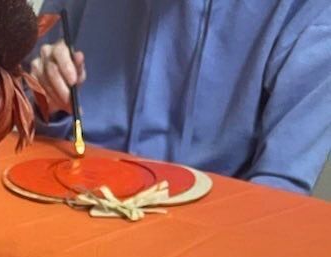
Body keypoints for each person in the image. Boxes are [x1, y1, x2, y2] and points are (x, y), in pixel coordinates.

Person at [31, 0, 331, 196]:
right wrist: (50, 105)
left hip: (210, 238)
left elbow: (277, 194)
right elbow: (22, 111)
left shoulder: (311, 11)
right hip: (68, 196)